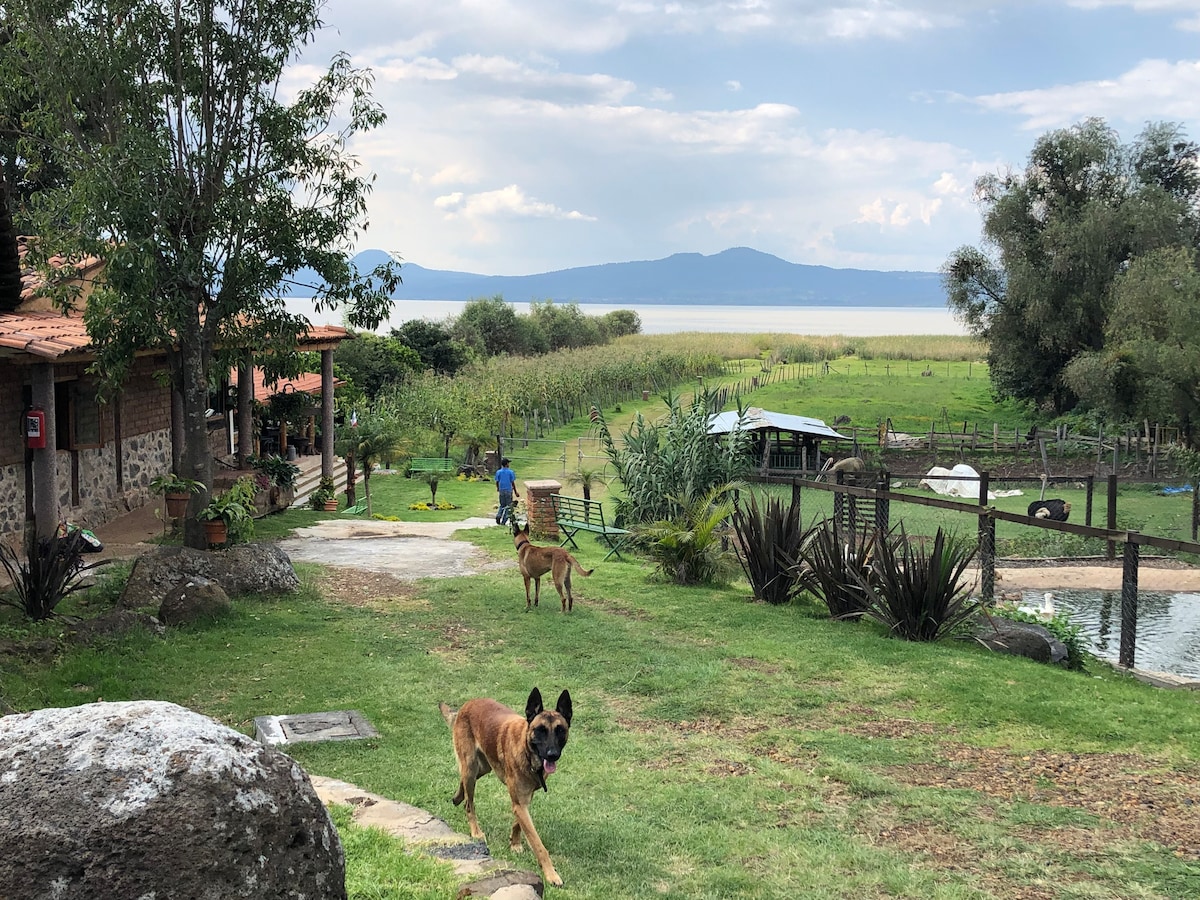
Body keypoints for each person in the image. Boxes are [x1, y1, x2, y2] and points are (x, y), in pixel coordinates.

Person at [495, 457, 519, 525]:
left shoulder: (498, 472)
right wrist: (515, 492)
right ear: (506, 464)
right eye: (508, 463)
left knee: (502, 505)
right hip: (508, 490)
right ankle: (503, 522)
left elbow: (497, 481)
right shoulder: (510, 472)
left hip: (501, 490)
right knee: (508, 507)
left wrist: (498, 488)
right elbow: (512, 483)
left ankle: (498, 515)